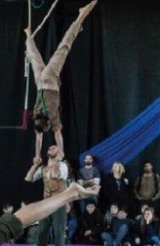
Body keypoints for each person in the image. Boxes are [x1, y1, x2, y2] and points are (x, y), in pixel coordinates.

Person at [25, 0, 98, 158]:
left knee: (64, 47)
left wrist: (62, 150)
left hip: (50, 80)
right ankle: (28, 38)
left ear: (48, 124)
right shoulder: (37, 115)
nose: (47, 130)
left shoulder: (52, 117)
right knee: (35, 59)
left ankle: (81, 16)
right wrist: (37, 155)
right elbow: (38, 138)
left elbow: (57, 135)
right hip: (40, 84)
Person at [25, 146, 69, 246]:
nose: (50, 148)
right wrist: (35, 165)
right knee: (41, 232)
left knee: (58, 233)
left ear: (58, 152)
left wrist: (56, 162)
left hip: (58, 203)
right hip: (46, 204)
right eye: (50, 147)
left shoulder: (62, 166)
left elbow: (56, 175)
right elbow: (29, 178)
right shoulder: (43, 168)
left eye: (54, 148)